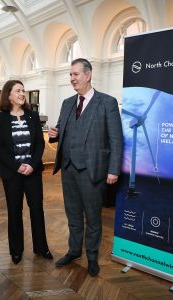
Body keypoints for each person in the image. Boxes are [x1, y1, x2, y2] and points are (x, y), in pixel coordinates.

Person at [48, 58, 123, 277]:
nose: (72, 79)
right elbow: (64, 129)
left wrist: (113, 169)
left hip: (93, 170)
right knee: (72, 215)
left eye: (75, 74)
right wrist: (55, 134)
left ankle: (91, 256)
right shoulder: (67, 103)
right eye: (70, 75)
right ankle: (74, 251)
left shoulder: (107, 102)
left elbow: (116, 139)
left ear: (88, 75)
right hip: (69, 169)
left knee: (92, 216)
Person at [0, 80, 53, 265]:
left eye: (23, 90)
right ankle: (16, 250)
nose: (22, 93)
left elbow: (39, 143)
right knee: (14, 211)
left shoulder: (32, 116)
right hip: (12, 173)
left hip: (32, 172)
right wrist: (17, 166)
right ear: (8, 95)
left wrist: (32, 165)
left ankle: (41, 247)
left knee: (37, 210)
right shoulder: (1, 118)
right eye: (17, 90)